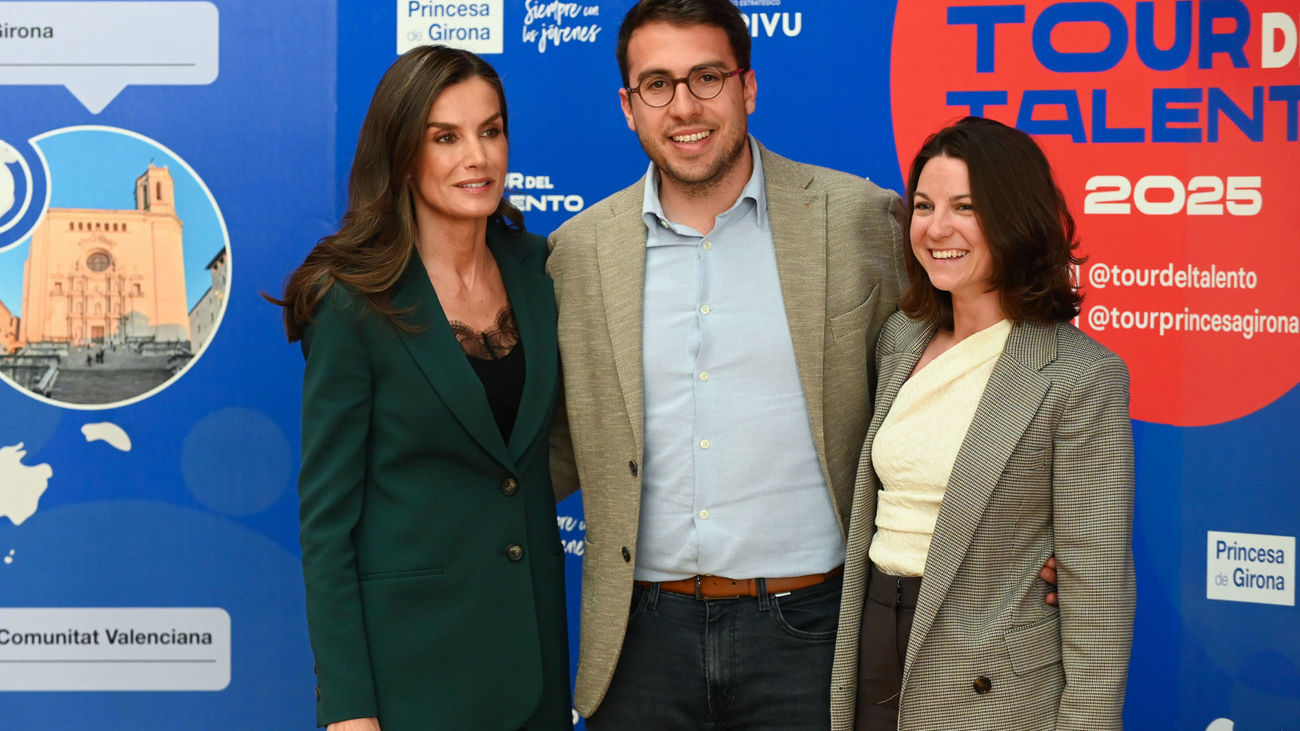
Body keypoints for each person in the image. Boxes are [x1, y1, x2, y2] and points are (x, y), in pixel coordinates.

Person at [545, 0, 908, 727]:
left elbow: (950, 388)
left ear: (747, 87)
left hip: (810, 632)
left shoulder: (861, 219)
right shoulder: (578, 253)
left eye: (706, 77)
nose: (684, 106)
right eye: (657, 84)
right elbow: (546, 446)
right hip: (640, 640)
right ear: (629, 106)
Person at [272, 46, 570, 730]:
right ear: (404, 154)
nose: (478, 156)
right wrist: (348, 710)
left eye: (490, 131)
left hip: (533, 661)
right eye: (446, 137)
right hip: (411, 675)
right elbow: (327, 526)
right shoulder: (353, 303)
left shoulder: (541, 270)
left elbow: (541, 447)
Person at [829, 117, 1135, 731]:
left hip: (990, 676)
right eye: (923, 205)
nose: (937, 228)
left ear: (1015, 217)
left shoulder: (1079, 374)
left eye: (965, 207)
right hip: (873, 639)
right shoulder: (900, 339)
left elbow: (1096, 591)